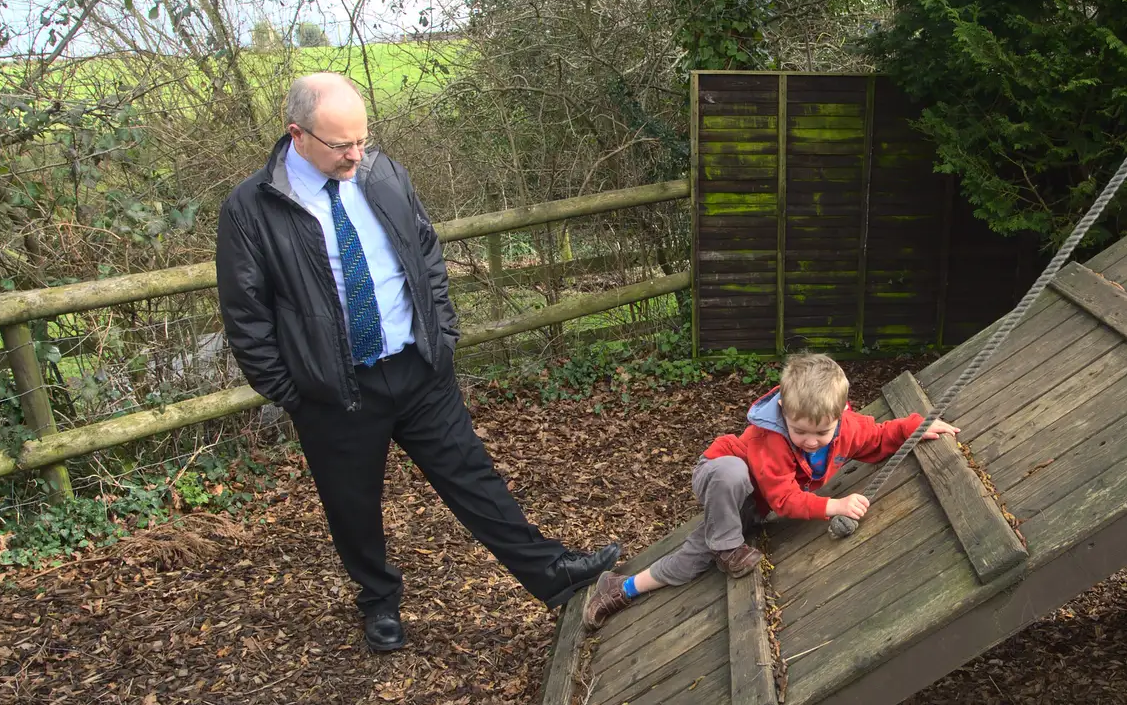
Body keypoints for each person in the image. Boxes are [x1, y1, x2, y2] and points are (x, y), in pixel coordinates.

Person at [215, 73, 618, 652]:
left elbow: (425, 251)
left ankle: (551, 574)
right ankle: (378, 603)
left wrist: (442, 333)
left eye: (362, 138)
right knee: (352, 506)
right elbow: (245, 315)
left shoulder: (382, 174)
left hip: (419, 368)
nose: (357, 154)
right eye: (341, 145)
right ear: (296, 134)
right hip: (336, 391)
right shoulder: (252, 209)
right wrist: (295, 391)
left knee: (473, 477)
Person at [582, 352, 958, 629]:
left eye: (821, 433)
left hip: (751, 504)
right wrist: (834, 505)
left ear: (841, 414)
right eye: (800, 432)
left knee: (696, 556)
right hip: (720, 476)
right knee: (732, 475)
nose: (811, 442)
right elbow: (784, 499)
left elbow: (878, 435)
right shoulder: (770, 439)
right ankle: (727, 547)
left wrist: (915, 427)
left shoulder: (845, 427)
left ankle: (621, 587)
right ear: (783, 411)